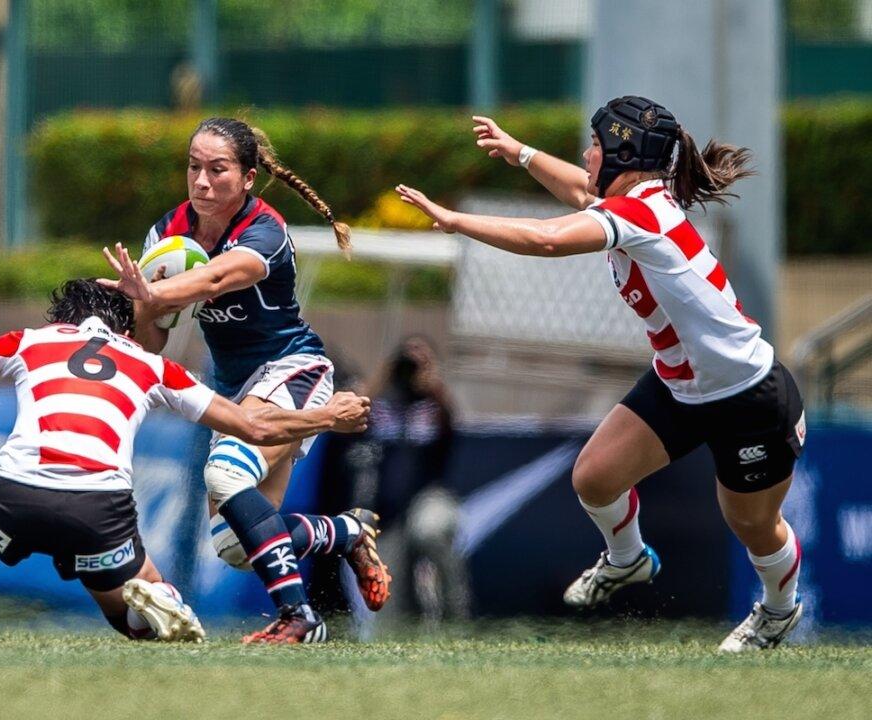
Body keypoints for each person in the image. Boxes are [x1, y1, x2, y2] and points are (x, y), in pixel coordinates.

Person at [395, 96, 806, 652]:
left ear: (625, 154)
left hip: (748, 395)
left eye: (596, 145)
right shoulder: (637, 202)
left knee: (753, 525)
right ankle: (628, 558)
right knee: (594, 478)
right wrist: (520, 153)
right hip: (680, 385)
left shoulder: (641, 215)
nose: (588, 155)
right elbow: (577, 190)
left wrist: (455, 222)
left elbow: (546, 239)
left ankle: (779, 610)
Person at [0, 279, 370, 641]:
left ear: (64, 317)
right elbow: (254, 426)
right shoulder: (152, 365)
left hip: (13, 496)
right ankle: (157, 600)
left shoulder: (31, 339)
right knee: (129, 617)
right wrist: (327, 416)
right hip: (101, 513)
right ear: (125, 326)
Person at [99, 117, 392, 644]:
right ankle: (346, 531)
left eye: (218, 170)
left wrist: (151, 292)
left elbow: (215, 277)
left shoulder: (265, 231)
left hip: (293, 368)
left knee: (225, 473)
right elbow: (153, 342)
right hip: (238, 390)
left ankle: (300, 617)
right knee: (236, 546)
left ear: (248, 178)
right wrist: (144, 311)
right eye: (194, 167)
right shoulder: (167, 233)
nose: (202, 181)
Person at [366, 336, 469, 623]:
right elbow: (352, 421)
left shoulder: (435, 406)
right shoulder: (381, 405)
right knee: (388, 601)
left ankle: (455, 615)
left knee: (429, 531)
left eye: (421, 361)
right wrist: (385, 374)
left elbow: (452, 424)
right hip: (387, 508)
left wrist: (433, 382)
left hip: (430, 496)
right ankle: (407, 627)